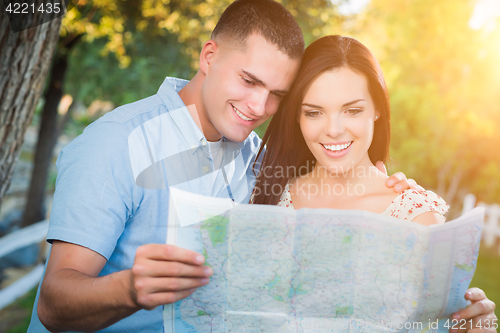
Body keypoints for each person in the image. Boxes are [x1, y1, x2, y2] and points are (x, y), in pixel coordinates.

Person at [27, 0, 492, 331]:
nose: (257, 106)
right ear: (209, 56)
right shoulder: (116, 144)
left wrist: (400, 201)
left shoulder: (260, 165)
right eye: (249, 81)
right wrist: (130, 287)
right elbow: (54, 304)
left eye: (276, 95)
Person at [252, 35, 497, 331]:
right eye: (313, 112)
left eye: (352, 110)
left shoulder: (416, 218)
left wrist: (475, 327)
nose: (333, 130)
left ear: (377, 109)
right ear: (297, 117)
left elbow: (440, 323)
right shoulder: (269, 195)